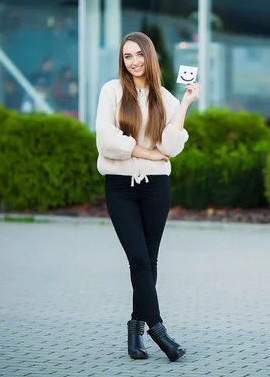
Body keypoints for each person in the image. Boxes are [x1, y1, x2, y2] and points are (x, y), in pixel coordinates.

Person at [94, 31, 200, 362]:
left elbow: (170, 147)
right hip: (119, 187)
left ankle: (134, 332)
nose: (134, 61)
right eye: (128, 56)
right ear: (122, 61)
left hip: (156, 188)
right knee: (138, 259)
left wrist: (184, 104)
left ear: (150, 57)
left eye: (139, 54)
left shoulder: (164, 97)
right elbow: (106, 141)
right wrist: (145, 152)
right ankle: (158, 331)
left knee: (148, 263)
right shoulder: (111, 91)